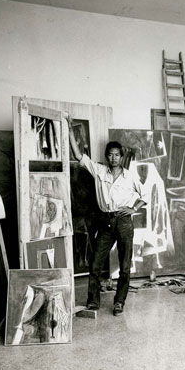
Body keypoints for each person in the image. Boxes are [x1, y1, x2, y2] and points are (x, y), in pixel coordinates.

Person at [66, 114, 147, 316]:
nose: (113, 158)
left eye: (116, 155)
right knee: (95, 265)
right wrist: (69, 131)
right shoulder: (99, 171)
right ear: (106, 156)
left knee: (125, 267)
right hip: (105, 223)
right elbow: (79, 156)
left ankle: (119, 302)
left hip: (124, 223)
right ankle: (93, 302)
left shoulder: (129, 177)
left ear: (121, 156)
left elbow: (145, 195)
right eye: (110, 155)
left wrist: (134, 208)